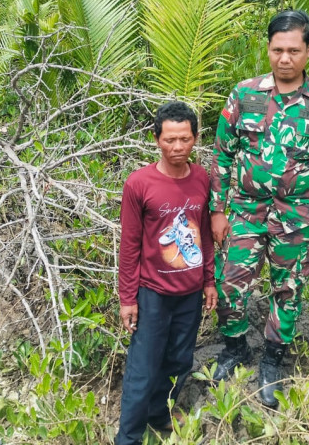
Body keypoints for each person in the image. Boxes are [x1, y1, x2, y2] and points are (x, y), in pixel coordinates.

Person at [209, 9, 309, 408]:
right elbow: (222, 154)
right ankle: (234, 348)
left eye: (293, 50)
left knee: (288, 289)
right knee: (230, 283)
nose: (284, 58)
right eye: (277, 50)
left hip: (297, 215)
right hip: (245, 211)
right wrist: (217, 210)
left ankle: (272, 361)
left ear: (308, 52)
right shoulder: (244, 94)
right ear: (268, 49)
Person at [116, 101, 218, 445]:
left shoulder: (201, 178)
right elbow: (129, 245)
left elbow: (203, 233)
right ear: (156, 139)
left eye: (185, 140)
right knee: (143, 370)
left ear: (196, 139)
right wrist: (127, 298)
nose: (177, 147)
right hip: (152, 295)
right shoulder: (139, 184)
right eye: (170, 139)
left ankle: (160, 415)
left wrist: (208, 280)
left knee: (178, 361)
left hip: (189, 294)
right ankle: (128, 436)